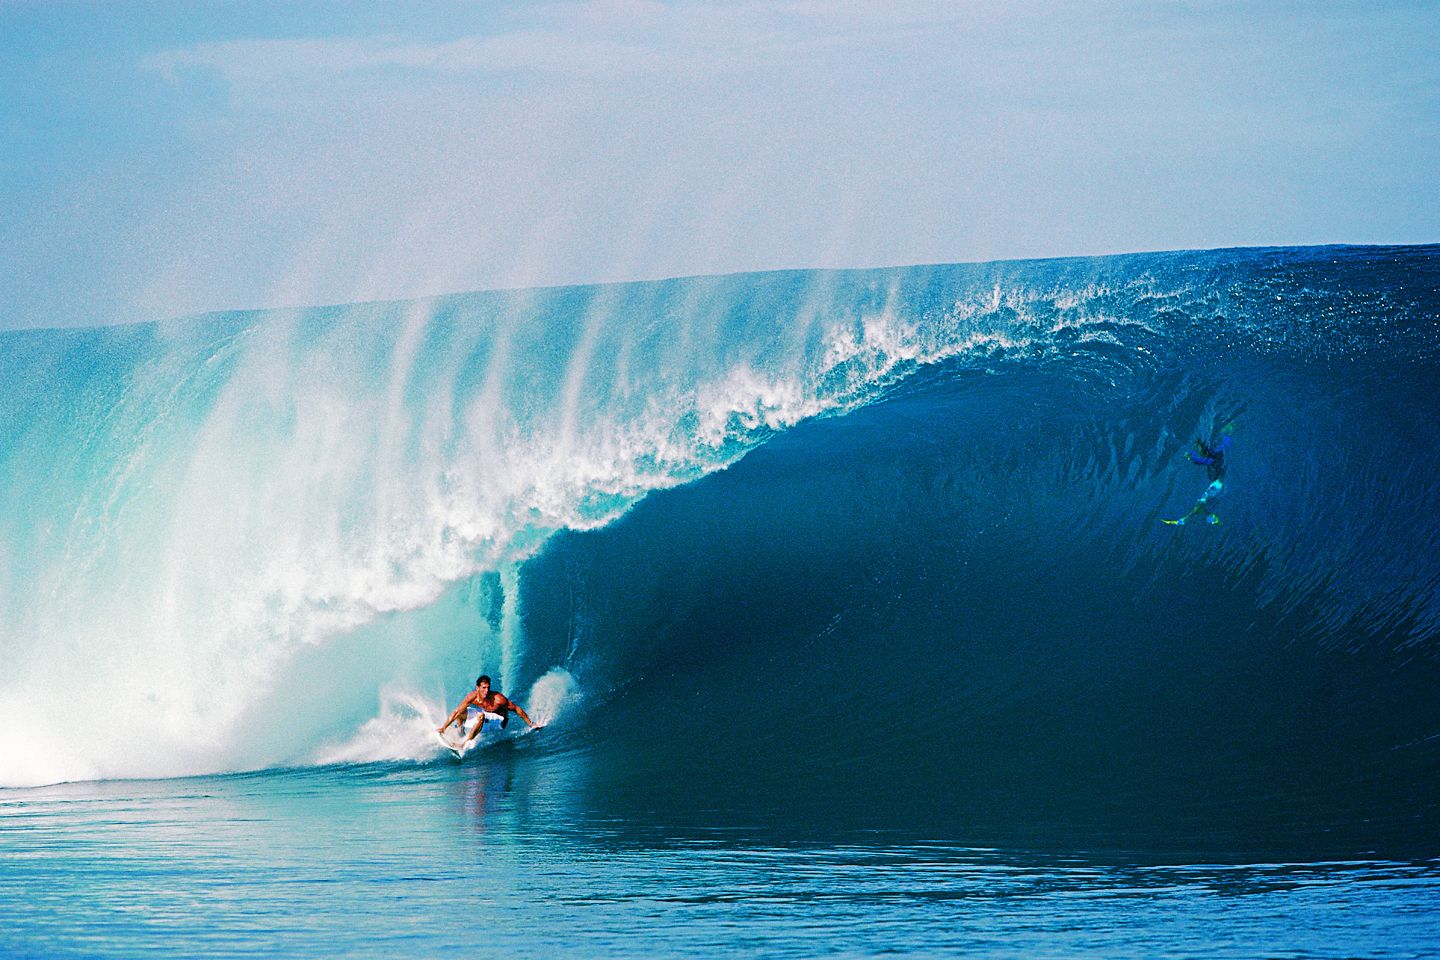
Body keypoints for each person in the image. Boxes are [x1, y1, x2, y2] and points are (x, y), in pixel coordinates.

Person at [438, 675, 541, 746]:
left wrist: (531, 724)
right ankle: (460, 730)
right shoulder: (472, 697)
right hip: (487, 715)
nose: (486, 691)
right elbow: (457, 712)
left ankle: (465, 743)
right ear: (477, 688)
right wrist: (443, 728)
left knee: (480, 716)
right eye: (483, 688)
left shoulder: (498, 699)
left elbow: (516, 709)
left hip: (499, 721)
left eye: (488, 687)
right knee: (460, 712)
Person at [1165, 428, 1232, 526]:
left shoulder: (1213, 461)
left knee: (1200, 505)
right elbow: (1207, 457)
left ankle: (1190, 519)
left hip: (1217, 484)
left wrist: (1190, 456)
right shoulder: (1220, 454)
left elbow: (1202, 461)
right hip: (1219, 483)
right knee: (1202, 504)